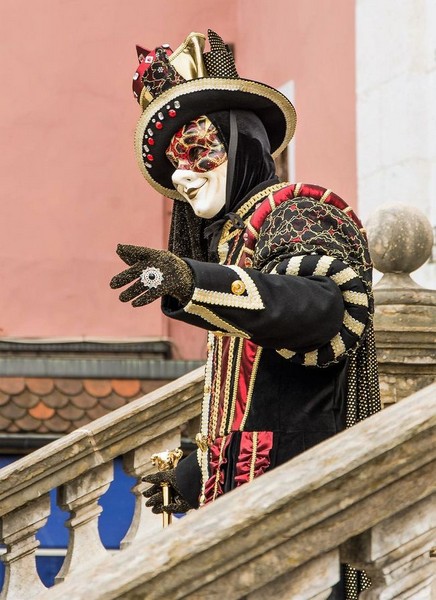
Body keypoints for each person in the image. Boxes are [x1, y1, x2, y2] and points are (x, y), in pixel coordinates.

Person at [110, 30, 380, 598]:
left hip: (302, 503)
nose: (181, 177)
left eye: (196, 151)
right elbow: (254, 397)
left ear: (244, 143)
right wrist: (196, 471)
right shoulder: (238, 243)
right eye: (172, 167)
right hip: (248, 512)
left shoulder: (297, 212)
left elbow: (326, 310)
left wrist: (196, 281)